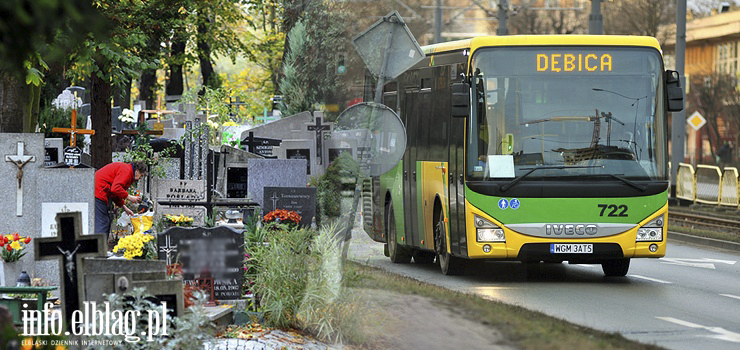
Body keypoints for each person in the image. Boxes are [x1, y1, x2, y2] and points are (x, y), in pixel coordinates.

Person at [94, 161, 146, 234]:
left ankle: (101, 244)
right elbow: (115, 189)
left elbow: (115, 193)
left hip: (100, 191)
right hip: (98, 191)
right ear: (137, 171)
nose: (139, 178)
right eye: (141, 175)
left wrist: (124, 207)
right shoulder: (127, 171)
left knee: (105, 222)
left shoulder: (127, 170)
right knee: (102, 223)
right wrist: (129, 197)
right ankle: (99, 244)